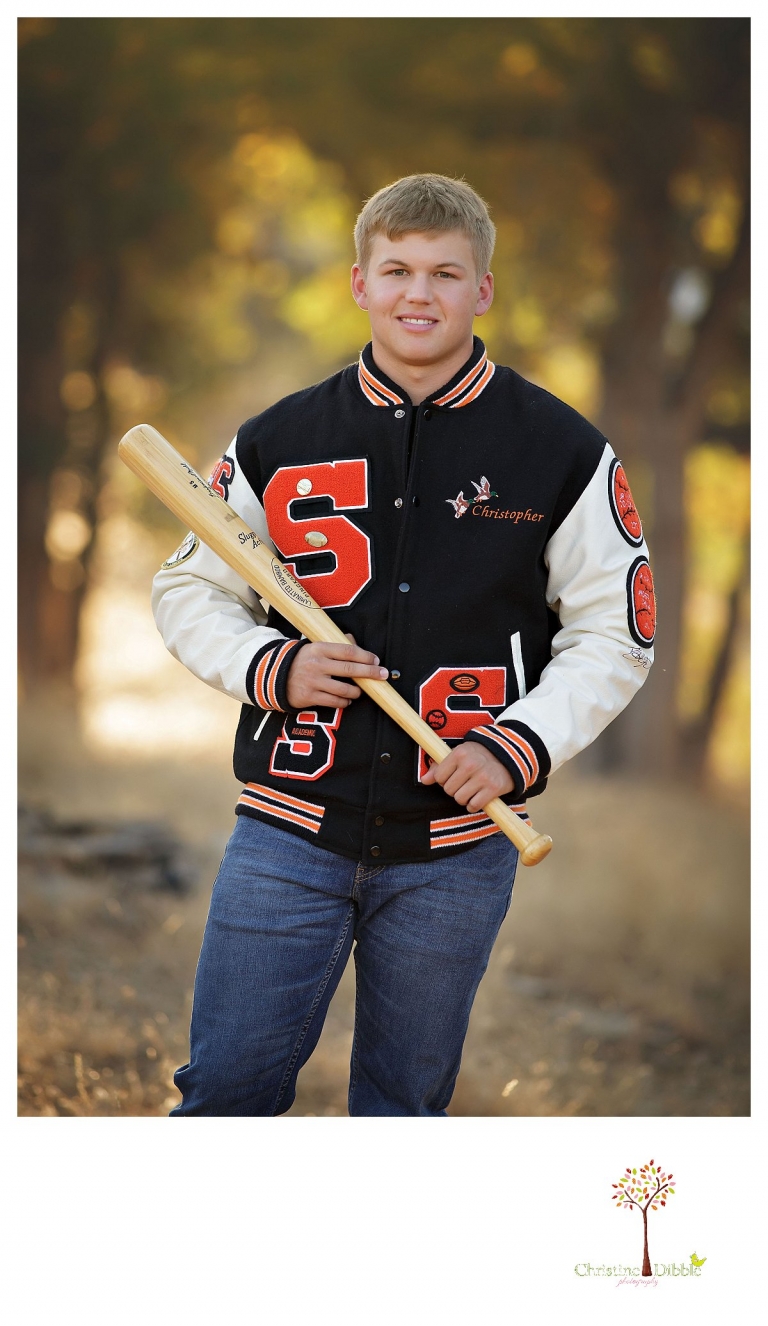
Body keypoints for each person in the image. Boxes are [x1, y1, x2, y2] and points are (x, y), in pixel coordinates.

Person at [152, 173, 656, 1117]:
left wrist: (519, 747)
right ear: (359, 283)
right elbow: (188, 590)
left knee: (401, 1111)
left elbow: (614, 631)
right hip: (287, 827)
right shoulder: (277, 438)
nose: (418, 294)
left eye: (444, 273)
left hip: (457, 849)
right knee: (225, 1090)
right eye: (396, 270)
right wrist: (274, 668)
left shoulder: (563, 450)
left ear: (483, 290)